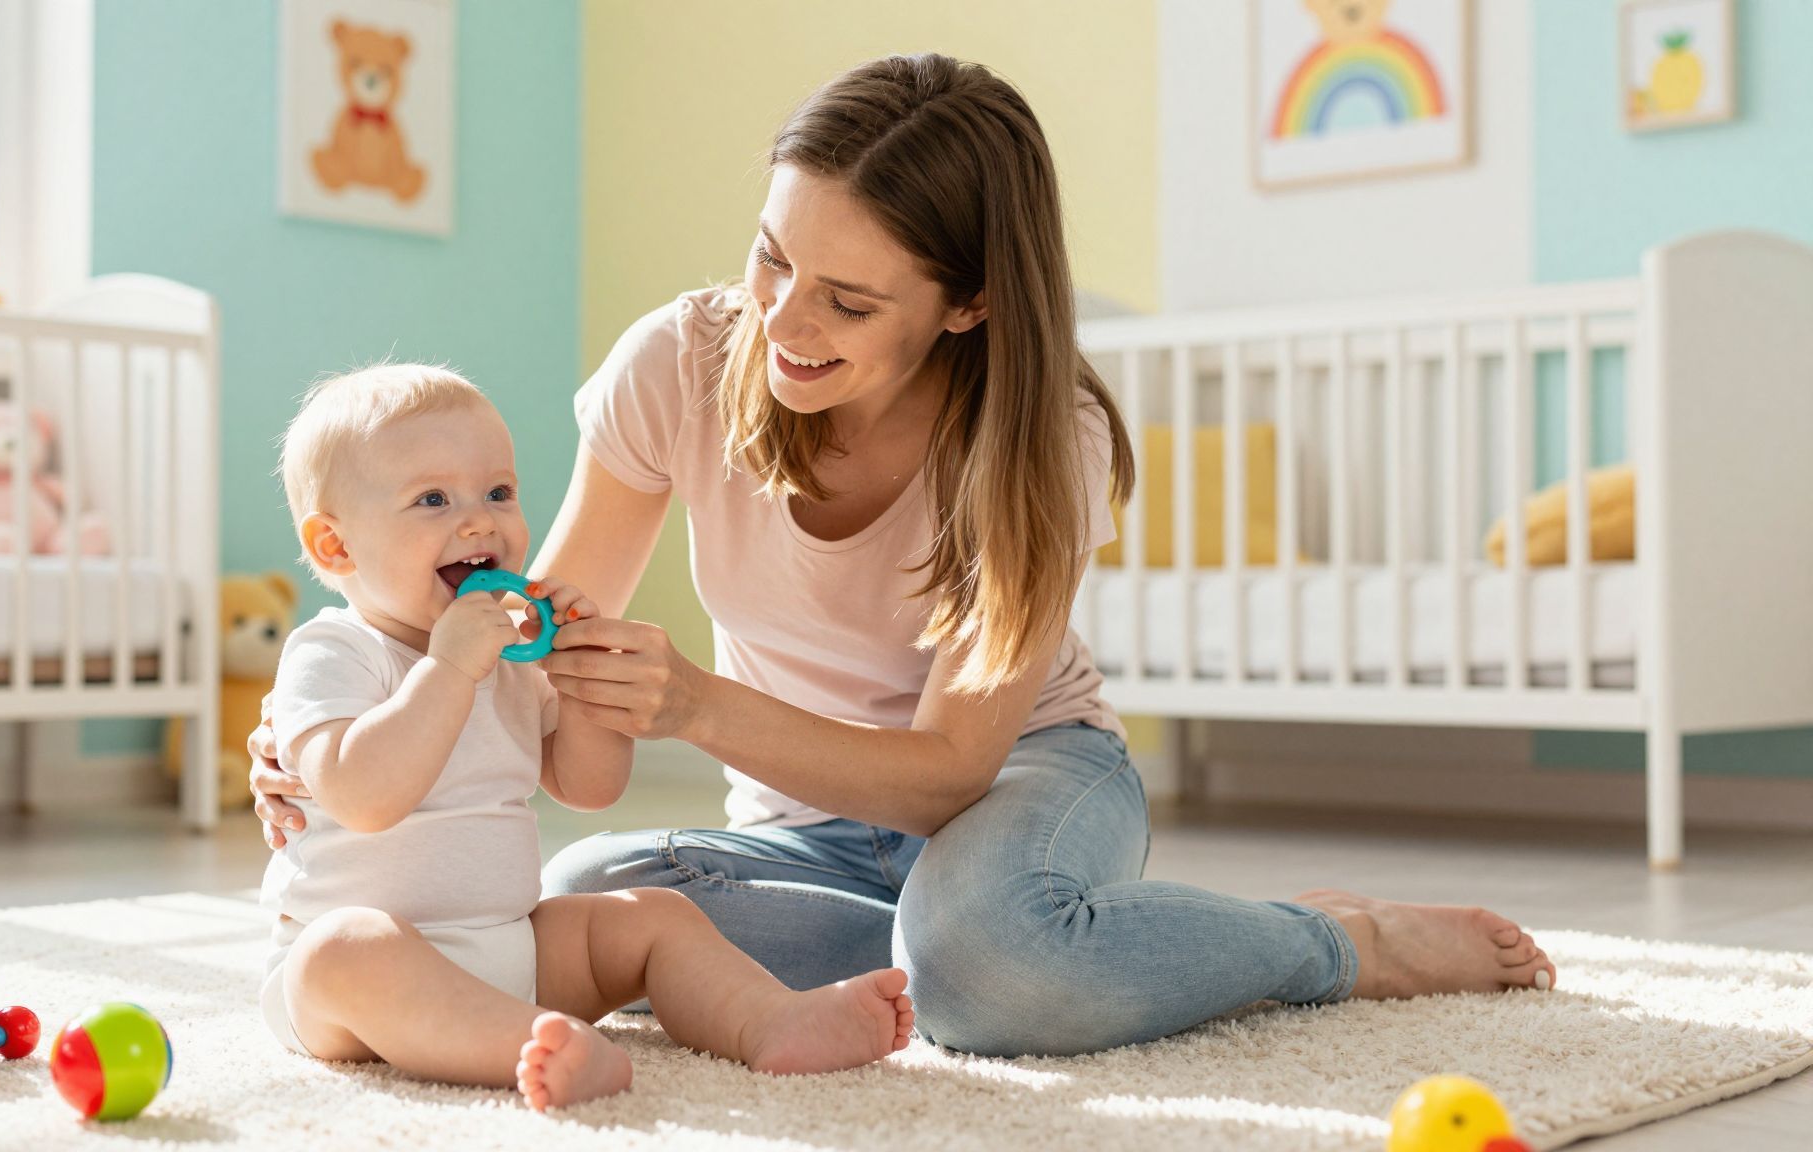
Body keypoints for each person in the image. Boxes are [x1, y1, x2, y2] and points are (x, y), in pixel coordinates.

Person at [254, 54, 1555, 1059]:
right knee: (582, 900)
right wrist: (338, 731)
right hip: (798, 829)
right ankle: (1072, 938)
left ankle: (1331, 940)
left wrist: (698, 702)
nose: (783, 322)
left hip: (1020, 782)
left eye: (850, 300)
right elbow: (536, 633)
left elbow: (946, 773)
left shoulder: (1046, 436)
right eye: (773, 260)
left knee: (987, 976)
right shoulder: (683, 364)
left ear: (968, 303)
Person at [257, 364, 912, 1111]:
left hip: (510, 944)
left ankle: (769, 1020)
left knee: (655, 918)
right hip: (353, 987)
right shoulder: (333, 652)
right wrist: (446, 669)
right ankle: (530, 1044)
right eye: (433, 499)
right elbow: (366, 796)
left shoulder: (504, 654)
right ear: (336, 547)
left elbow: (590, 786)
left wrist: (582, 674)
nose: (479, 521)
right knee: (347, 949)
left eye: (498, 492)